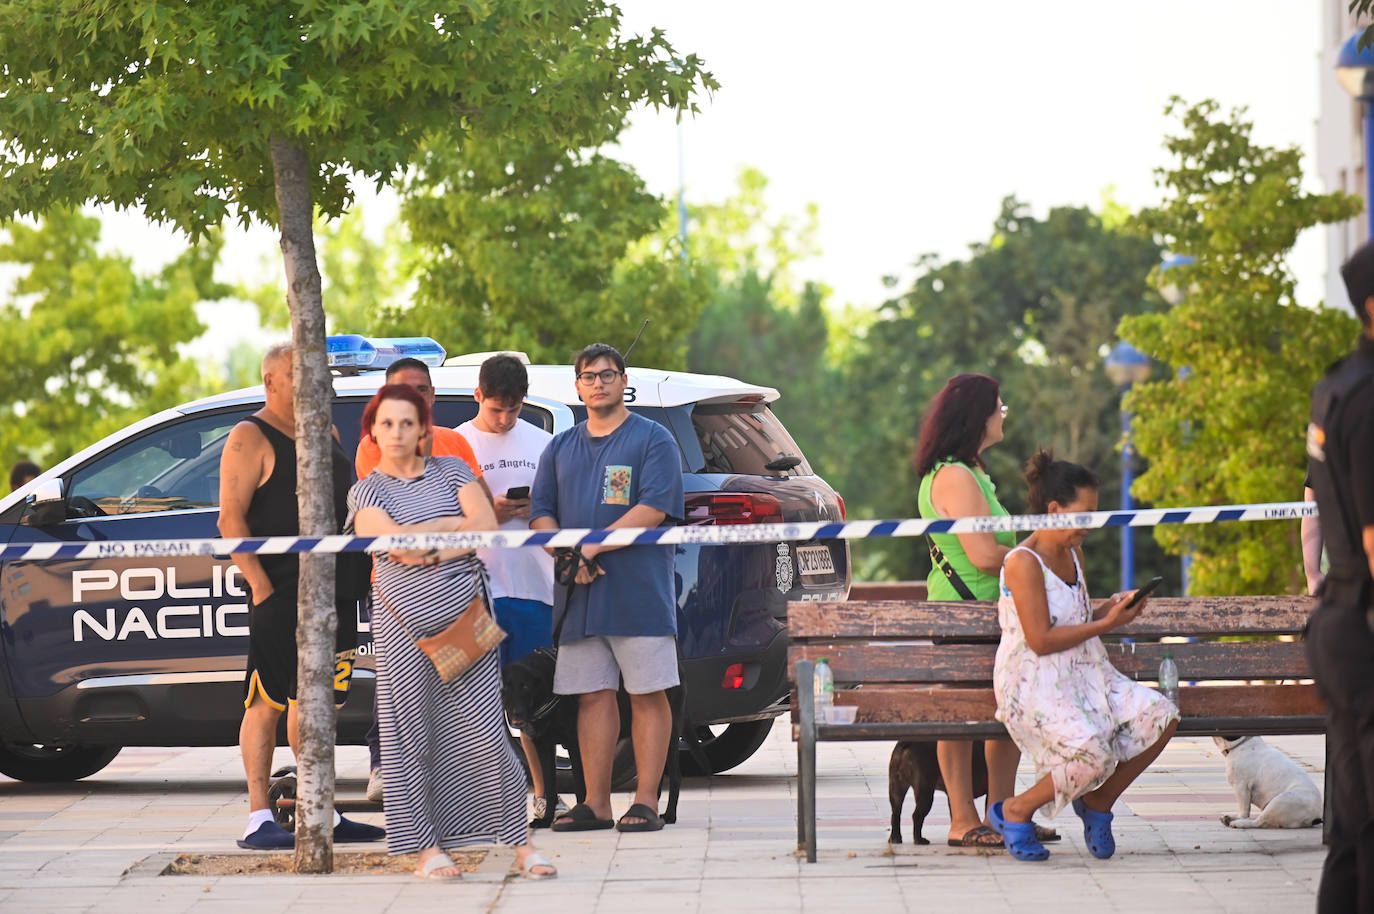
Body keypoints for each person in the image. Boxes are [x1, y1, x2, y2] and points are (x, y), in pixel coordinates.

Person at [347, 384, 554, 880]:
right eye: (387, 423)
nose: (397, 432)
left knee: (485, 730)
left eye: (408, 422)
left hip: (467, 620)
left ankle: (520, 844)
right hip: (404, 630)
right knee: (409, 736)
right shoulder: (366, 490)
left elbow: (482, 526)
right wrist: (449, 531)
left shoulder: (456, 469)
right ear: (373, 432)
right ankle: (425, 848)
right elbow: (393, 544)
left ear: (424, 429)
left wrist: (434, 540)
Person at [217, 343, 383, 850]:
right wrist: (263, 589)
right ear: (271, 382)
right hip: (282, 596)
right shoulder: (250, 435)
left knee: (321, 706)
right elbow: (230, 520)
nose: (312, 382)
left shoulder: (326, 433)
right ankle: (258, 817)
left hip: (336, 594)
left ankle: (321, 810)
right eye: (298, 374)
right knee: (268, 702)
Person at [988, 451, 1178, 862]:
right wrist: (1107, 624)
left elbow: (1074, 616)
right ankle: (1014, 810)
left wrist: (1111, 606)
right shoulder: (1022, 562)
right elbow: (1040, 638)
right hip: (1036, 683)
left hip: (1086, 673)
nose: (1091, 524)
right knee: (1091, 751)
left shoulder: (1074, 554)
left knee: (1161, 716)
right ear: (1054, 510)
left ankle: (1098, 803)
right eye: (1085, 513)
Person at [530, 343, 684, 833]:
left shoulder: (653, 439)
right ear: (577, 386)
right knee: (592, 695)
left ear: (624, 380)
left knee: (646, 693)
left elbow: (653, 508)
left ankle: (644, 802)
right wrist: (565, 555)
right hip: (580, 597)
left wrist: (589, 549)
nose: (598, 383)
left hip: (638, 594)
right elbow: (541, 513)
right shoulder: (559, 447)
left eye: (608, 374)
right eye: (589, 376)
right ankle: (595, 803)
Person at [913, 373, 1055, 848]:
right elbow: (981, 553)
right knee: (957, 715)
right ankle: (962, 818)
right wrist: (1037, 550)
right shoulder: (954, 475)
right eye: (999, 405)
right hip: (963, 615)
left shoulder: (968, 472)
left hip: (986, 614)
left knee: (1003, 714)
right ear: (978, 416)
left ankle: (1002, 813)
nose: (1005, 412)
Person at [356, 355, 486, 802]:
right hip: (399, 592)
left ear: (433, 395)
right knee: (398, 685)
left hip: (461, 586)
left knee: (462, 679)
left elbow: (481, 518)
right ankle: (385, 768)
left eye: (422, 391)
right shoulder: (372, 447)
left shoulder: (457, 445)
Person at [455, 354, 564, 821]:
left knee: (530, 701)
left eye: (514, 409)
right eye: (496, 408)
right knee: (470, 695)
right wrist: (489, 514)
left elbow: (562, 507)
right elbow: (440, 516)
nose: (504, 419)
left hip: (533, 588)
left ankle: (544, 795)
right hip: (470, 592)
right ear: (478, 396)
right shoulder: (456, 443)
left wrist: (534, 511)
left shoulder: (545, 442)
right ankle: (477, 797)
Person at [1305, 239, 1374, 912]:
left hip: (1339, 624)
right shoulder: (1371, 398)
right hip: (1365, 623)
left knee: (1355, 829)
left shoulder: (1335, 386)